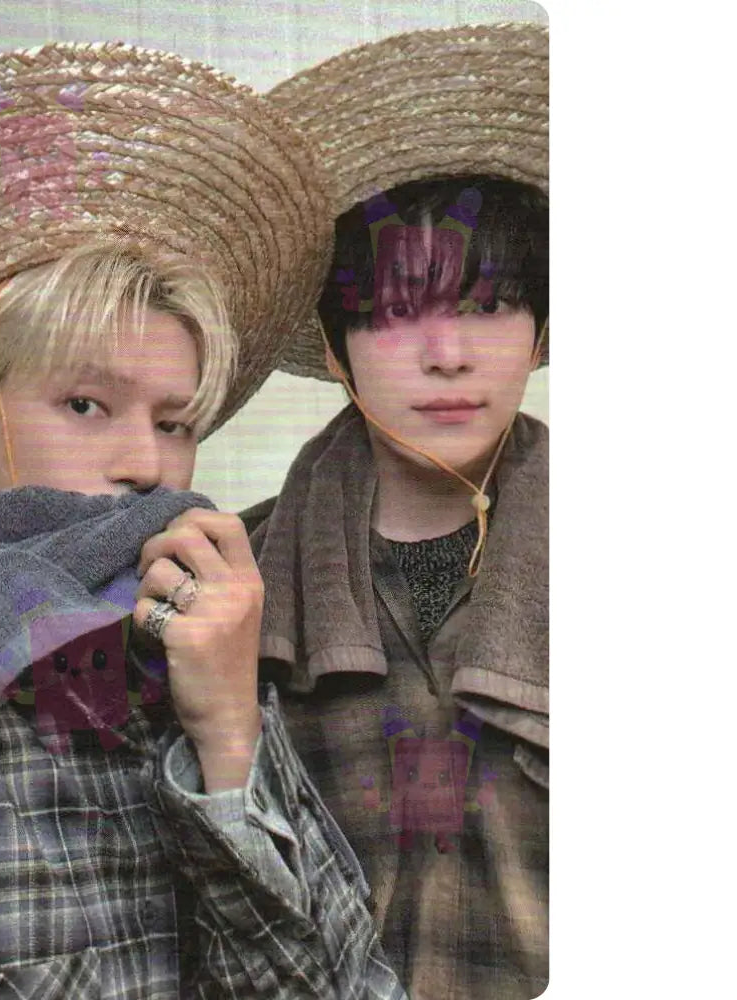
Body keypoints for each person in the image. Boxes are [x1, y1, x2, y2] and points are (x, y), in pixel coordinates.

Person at [0, 42, 406, 999]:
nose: (147, 464)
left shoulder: (192, 638)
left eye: (175, 422)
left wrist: (228, 730)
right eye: (86, 405)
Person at [244, 24, 549, 1000]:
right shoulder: (234, 577)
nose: (447, 355)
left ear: (542, 330)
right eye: (395, 311)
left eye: (489, 305)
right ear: (335, 347)